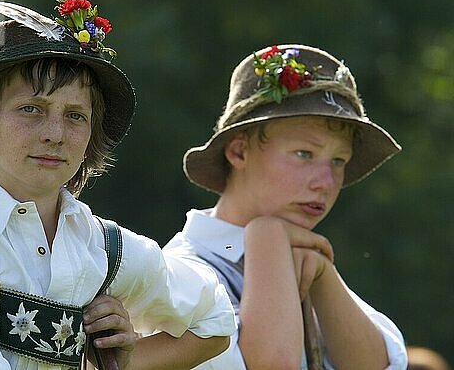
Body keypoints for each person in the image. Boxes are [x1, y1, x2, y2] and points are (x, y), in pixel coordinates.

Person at [0, 0, 235, 370]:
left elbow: (215, 321)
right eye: (31, 109)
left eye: (75, 115)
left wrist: (121, 364)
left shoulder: (102, 247)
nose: (55, 133)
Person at [163, 44, 408, 369]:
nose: (326, 181)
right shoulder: (180, 273)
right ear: (239, 153)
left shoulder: (307, 259)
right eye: (304, 154)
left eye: (339, 160)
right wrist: (266, 237)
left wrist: (323, 275)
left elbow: (382, 364)